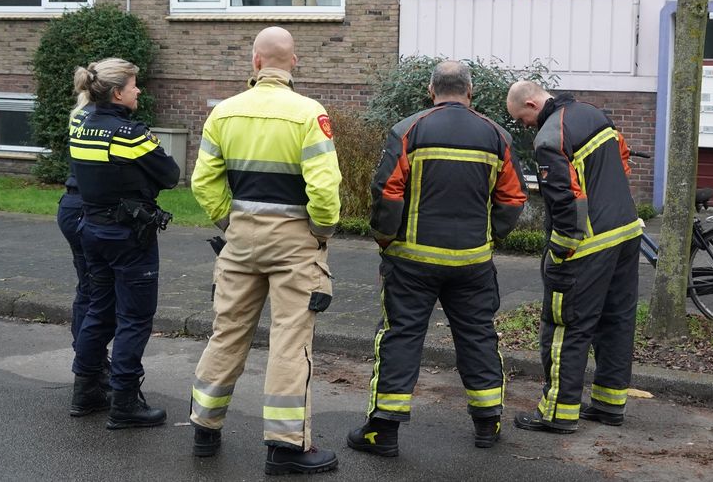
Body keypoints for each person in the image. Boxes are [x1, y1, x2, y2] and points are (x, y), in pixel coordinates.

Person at [347, 61, 527, 457]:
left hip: (411, 261)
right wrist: (491, 235)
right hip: (473, 263)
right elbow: (513, 198)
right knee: (478, 336)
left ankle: (383, 431)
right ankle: (487, 423)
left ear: (431, 91)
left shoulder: (409, 130)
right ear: (470, 90)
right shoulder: (497, 136)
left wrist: (386, 239)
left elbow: (387, 192)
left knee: (400, 336)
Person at [189, 26, 343, 476]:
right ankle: (286, 445)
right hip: (294, 240)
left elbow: (203, 181)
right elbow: (324, 188)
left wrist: (228, 220)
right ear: (292, 62)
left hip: (239, 239)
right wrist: (321, 230)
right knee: (291, 341)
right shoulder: (309, 113)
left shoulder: (224, 113)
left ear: (255, 62)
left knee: (228, 331)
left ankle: (203, 426)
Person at [505, 81, 642, 434]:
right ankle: (610, 405)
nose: (525, 127)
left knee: (566, 325)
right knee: (616, 321)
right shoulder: (596, 115)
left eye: (523, 119)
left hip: (588, 245)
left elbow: (566, 199)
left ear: (533, 104)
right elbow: (622, 160)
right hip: (626, 233)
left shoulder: (551, 136)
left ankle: (558, 413)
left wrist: (562, 251)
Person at [68, 58, 180, 429]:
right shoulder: (128, 134)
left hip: (92, 230)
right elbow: (170, 174)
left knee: (98, 310)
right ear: (117, 92)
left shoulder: (81, 124)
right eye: (133, 85)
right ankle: (125, 403)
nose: (138, 90)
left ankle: (85, 392)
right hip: (128, 238)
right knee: (134, 318)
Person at [58, 79, 105, 416]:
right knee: (97, 293)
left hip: (70, 206)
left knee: (86, 289)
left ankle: (87, 358)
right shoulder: (102, 121)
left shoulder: (81, 115)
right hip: (87, 211)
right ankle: (89, 367)